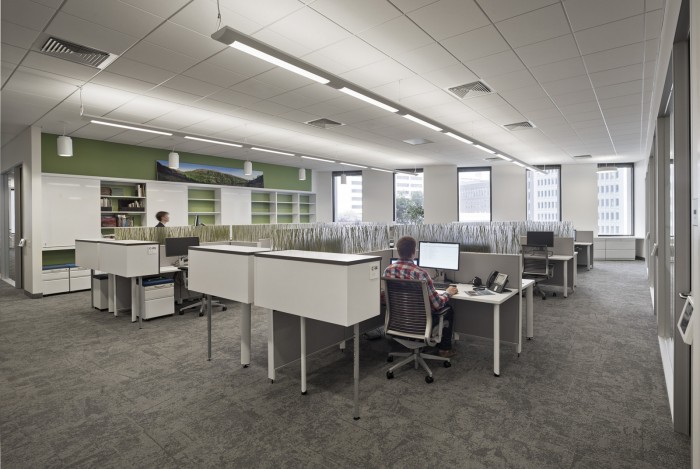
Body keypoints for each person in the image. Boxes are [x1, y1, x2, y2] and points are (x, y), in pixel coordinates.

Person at [383, 236, 458, 358]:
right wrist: (448, 293)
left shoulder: (387, 271)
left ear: (398, 251)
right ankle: (444, 350)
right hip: (420, 324)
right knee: (448, 309)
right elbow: (437, 304)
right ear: (414, 251)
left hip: (398, 323)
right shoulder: (421, 274)